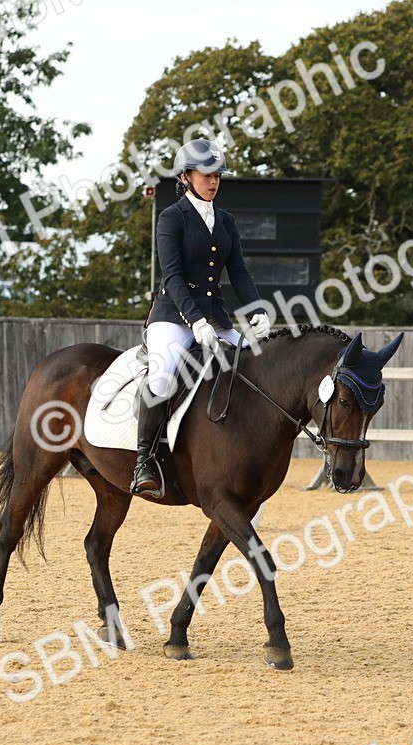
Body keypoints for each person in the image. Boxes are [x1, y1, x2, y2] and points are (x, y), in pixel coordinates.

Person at [131, 139, 271, 498]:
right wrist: (195, 321)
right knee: (162, 378)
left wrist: (257, 310)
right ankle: (144, 462)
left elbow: (238, 272)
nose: (214, 181)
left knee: (257, 365)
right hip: (172, 318)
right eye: (207, 175)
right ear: (185, 176)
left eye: (218, 175)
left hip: (215, 318)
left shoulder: (226, 221)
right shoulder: (171, 218)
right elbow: (173, 276)